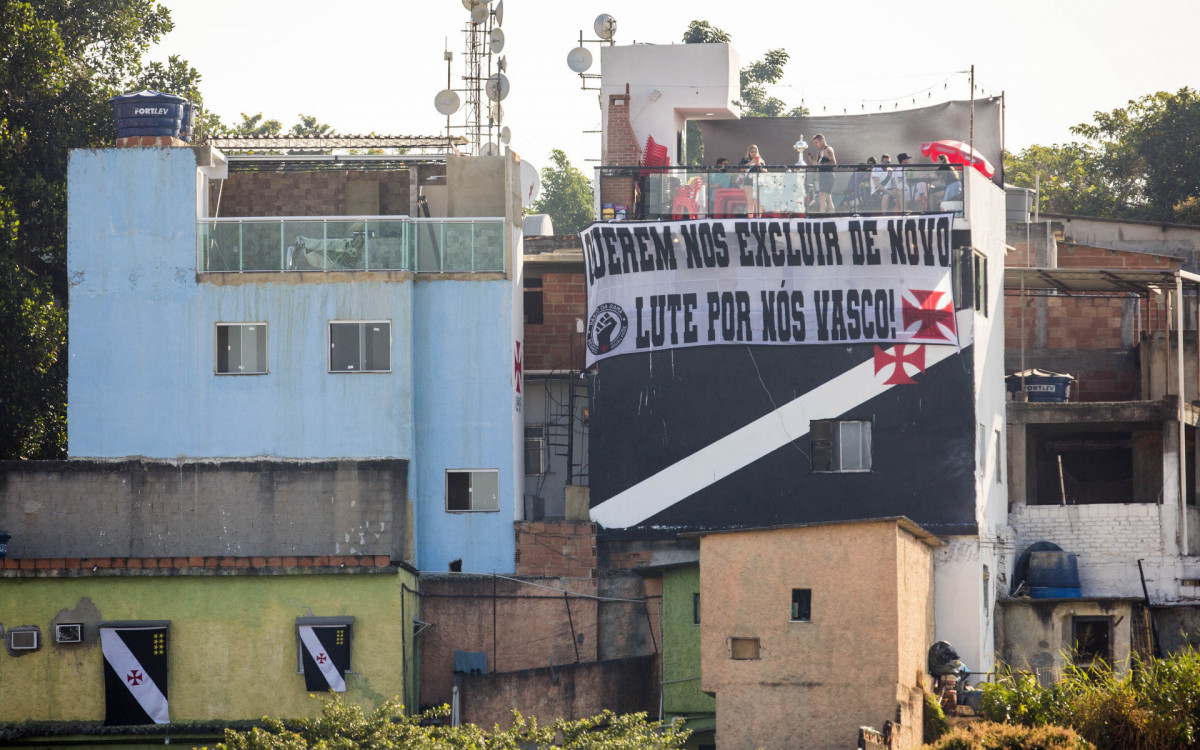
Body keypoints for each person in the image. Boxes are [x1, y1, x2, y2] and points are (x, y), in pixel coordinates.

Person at [805, 134, 837, 213]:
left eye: (817, 142)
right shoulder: (819, 152)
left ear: (822, 140)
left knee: (821, 196)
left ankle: (822, 214)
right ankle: (831, 215)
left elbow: (834, 163)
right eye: (815, 143)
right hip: (823, 177)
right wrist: (813, 161)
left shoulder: (828, 149)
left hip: (828, 176)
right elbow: (817, 164)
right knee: (828, 199)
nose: (816, 145)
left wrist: (819, 165)